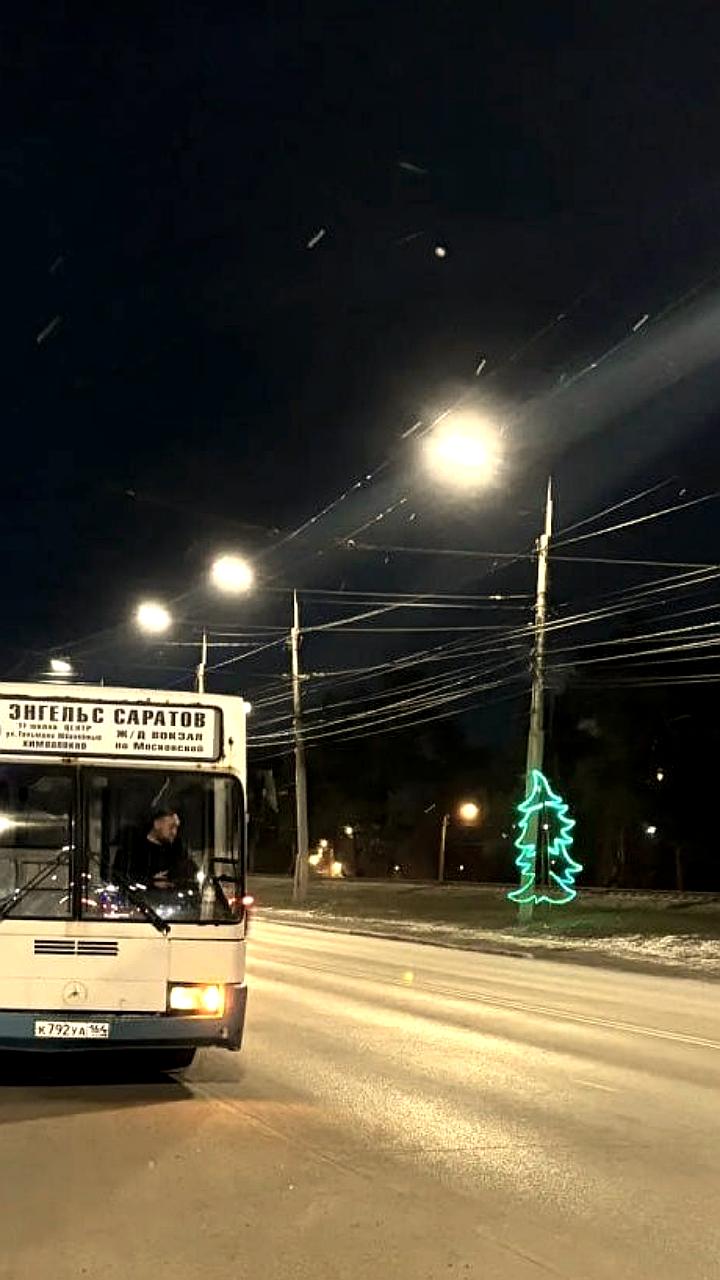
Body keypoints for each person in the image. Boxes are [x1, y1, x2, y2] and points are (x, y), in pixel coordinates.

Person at [114, 808, 197, 890]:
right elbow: (120, 878)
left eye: (177, 828)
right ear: (157, 824)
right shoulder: (132, 848)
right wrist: (150, 882)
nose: (174, 832)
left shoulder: (178, 849)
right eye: (171, 827)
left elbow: (191, 875)